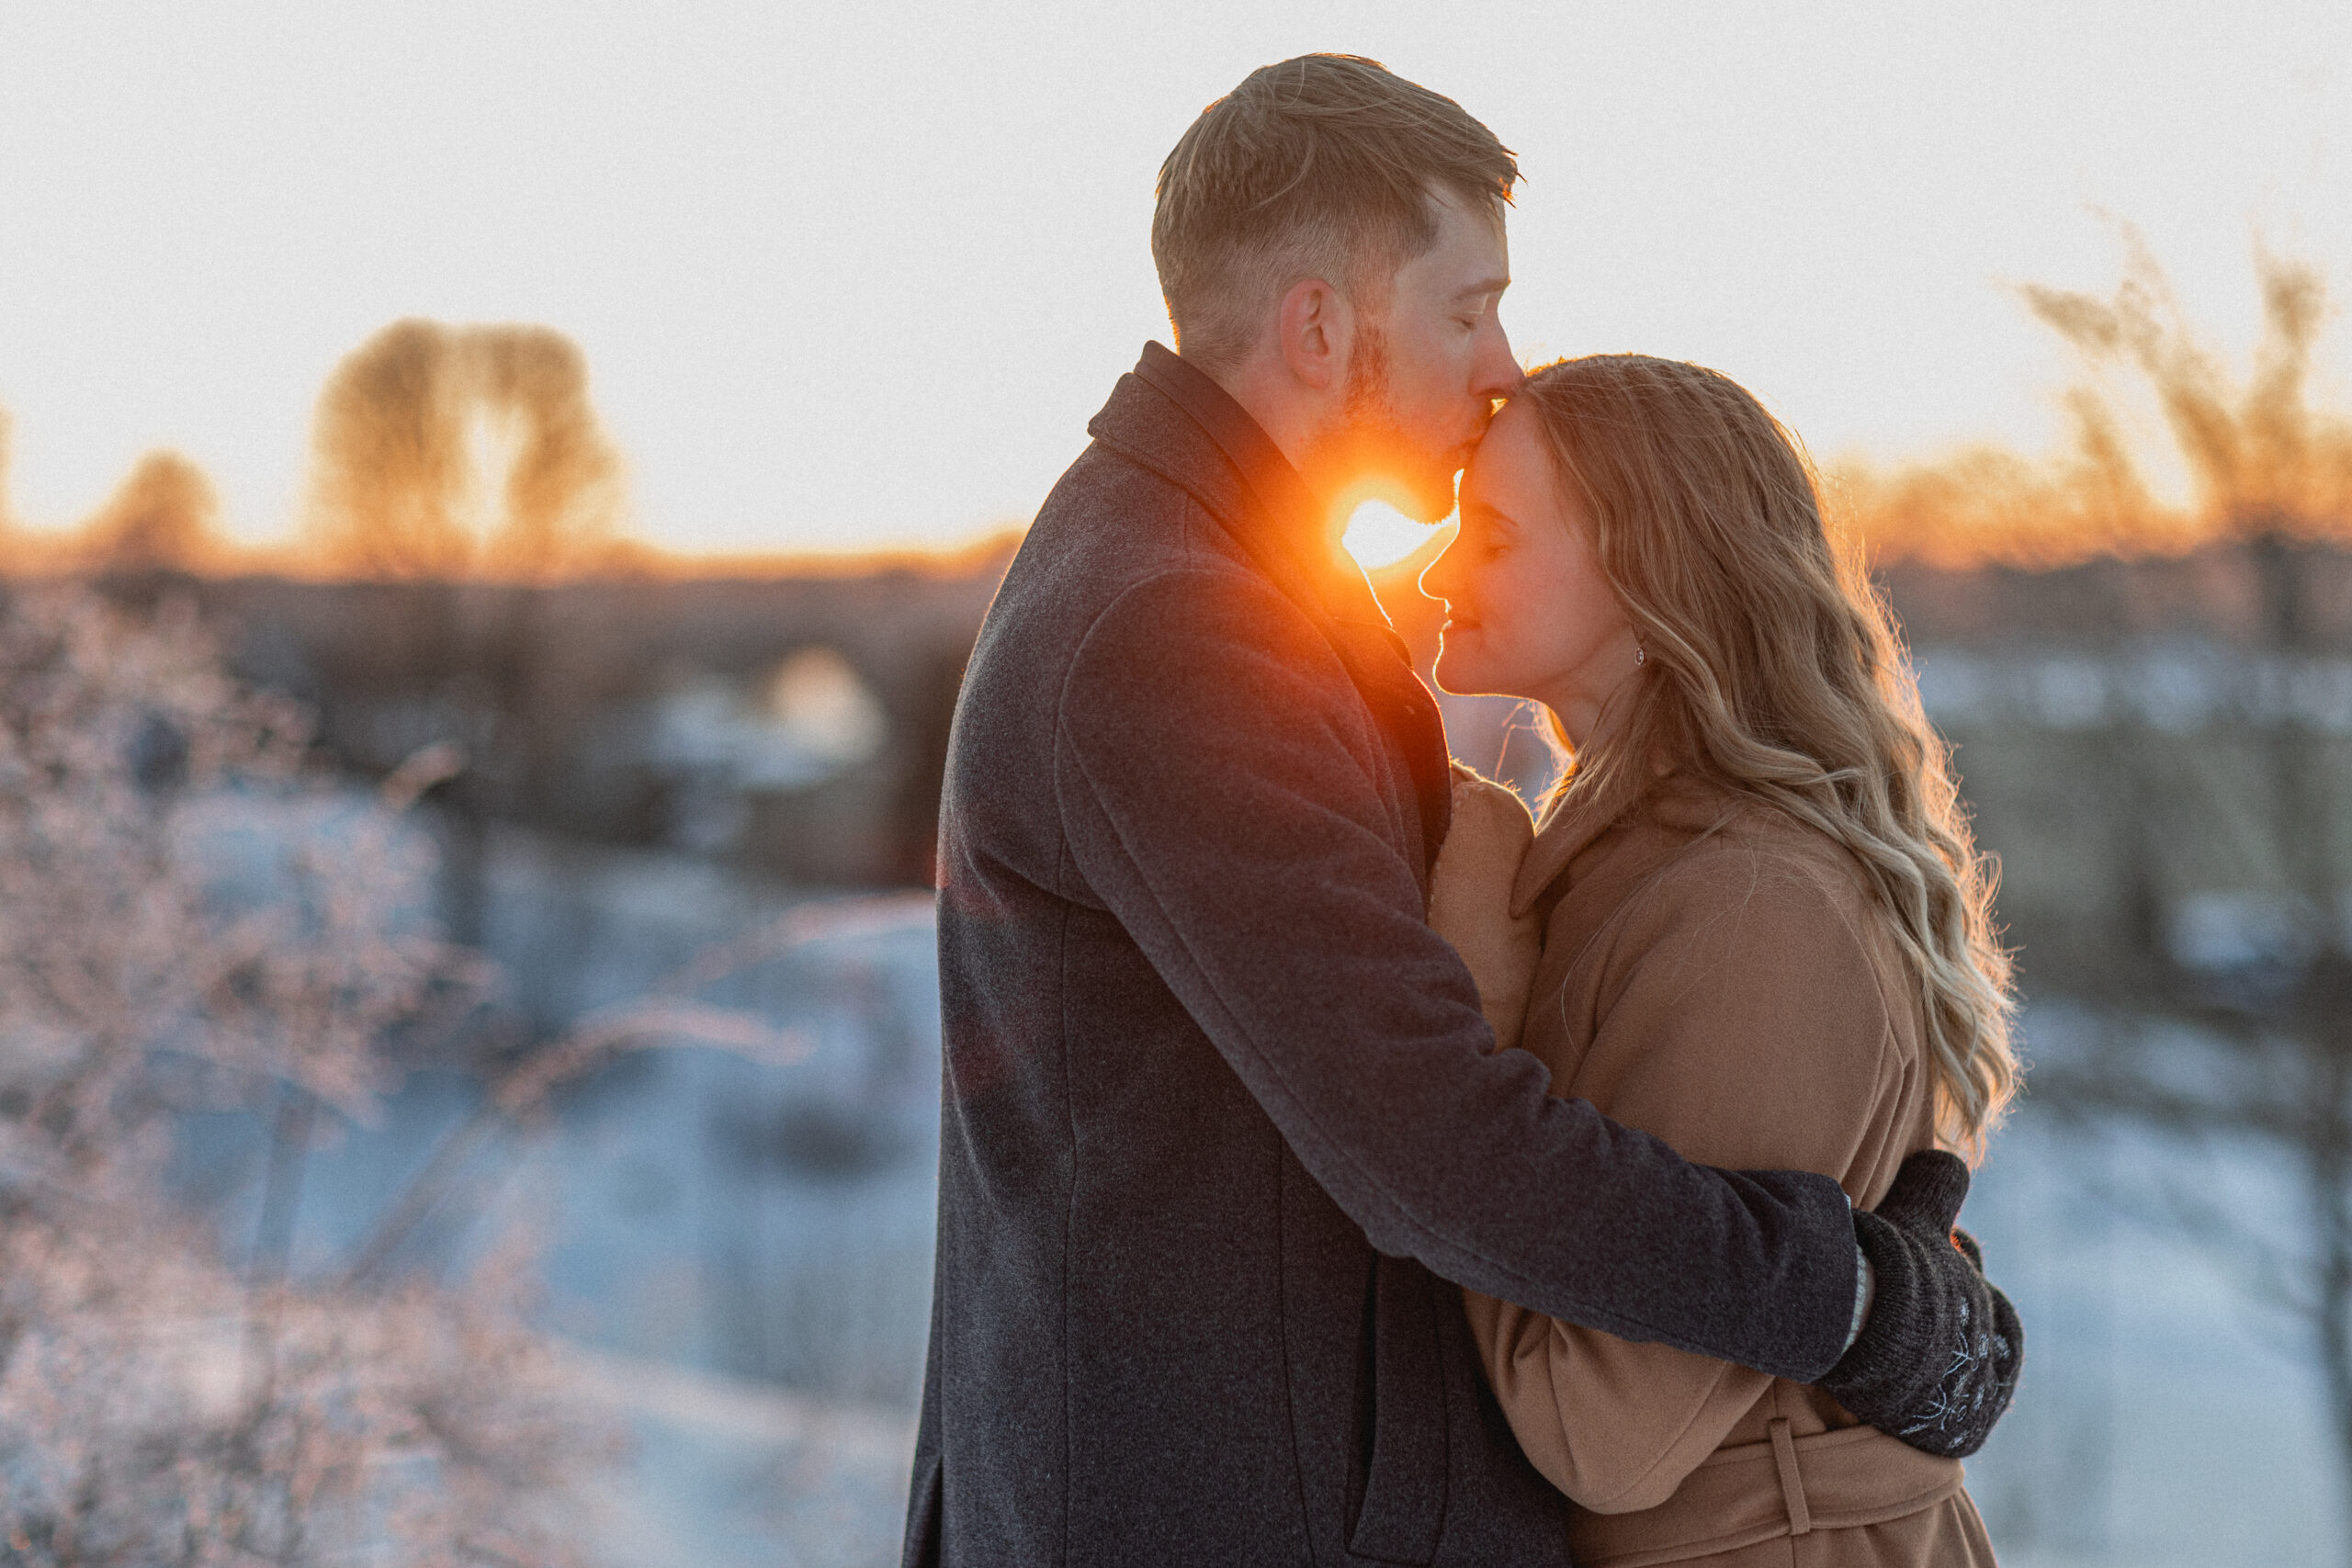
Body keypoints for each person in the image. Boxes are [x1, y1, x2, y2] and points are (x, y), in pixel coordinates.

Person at [904, 54, 2018, 1568]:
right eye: (1467, 305)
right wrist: (1854, 1304)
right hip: (1233, 1520)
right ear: (1319, 325)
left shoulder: (1220, 577)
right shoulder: (1171, 628)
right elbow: (1431, 1136)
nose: (1502, 361)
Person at [1420, 355, 2017, 1564]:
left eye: (1488, 534)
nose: (1436, 571)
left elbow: (1606, 1428)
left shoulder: (1752, 910)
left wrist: (1472, 1019)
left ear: (1645, 565)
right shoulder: (1633, 863)